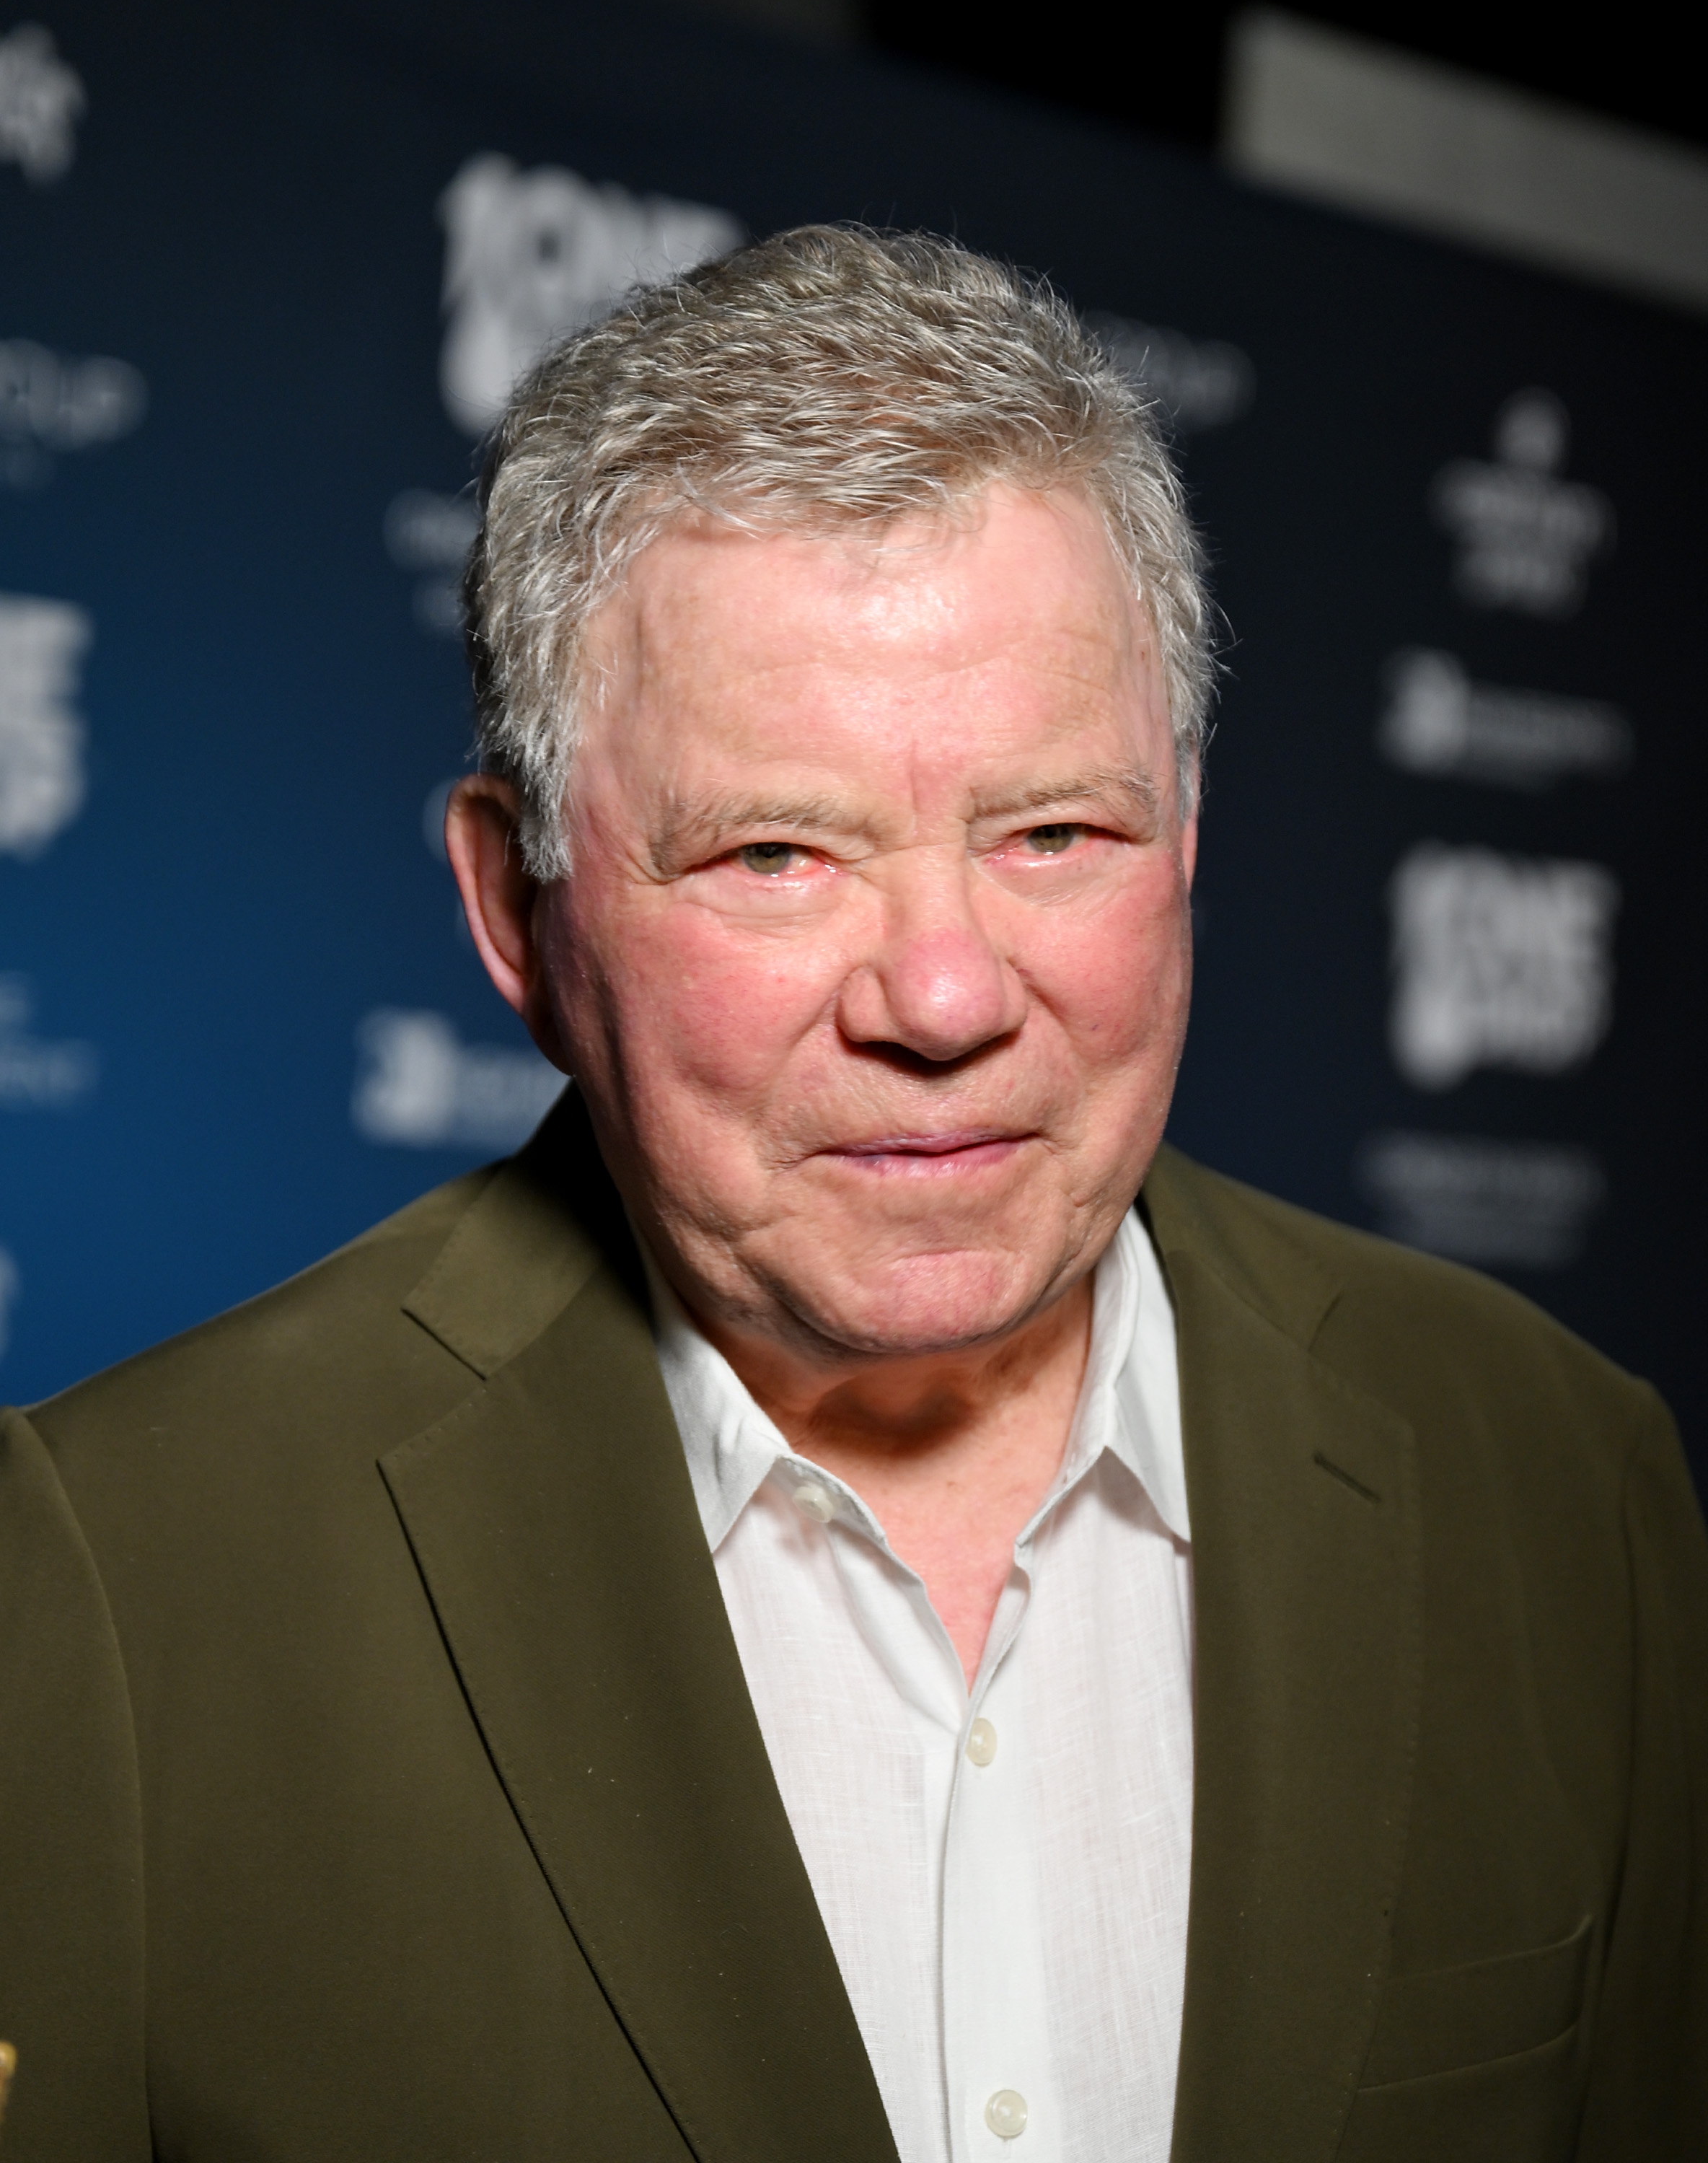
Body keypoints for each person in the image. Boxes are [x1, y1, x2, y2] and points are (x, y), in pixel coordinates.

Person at [1, 226, 1703, 2163]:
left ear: (1190, 837)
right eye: (778, 855)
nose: (950, 997)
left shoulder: (1561, 1477)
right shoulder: (118, 1589)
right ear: (515, 910)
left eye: (1055, 830)